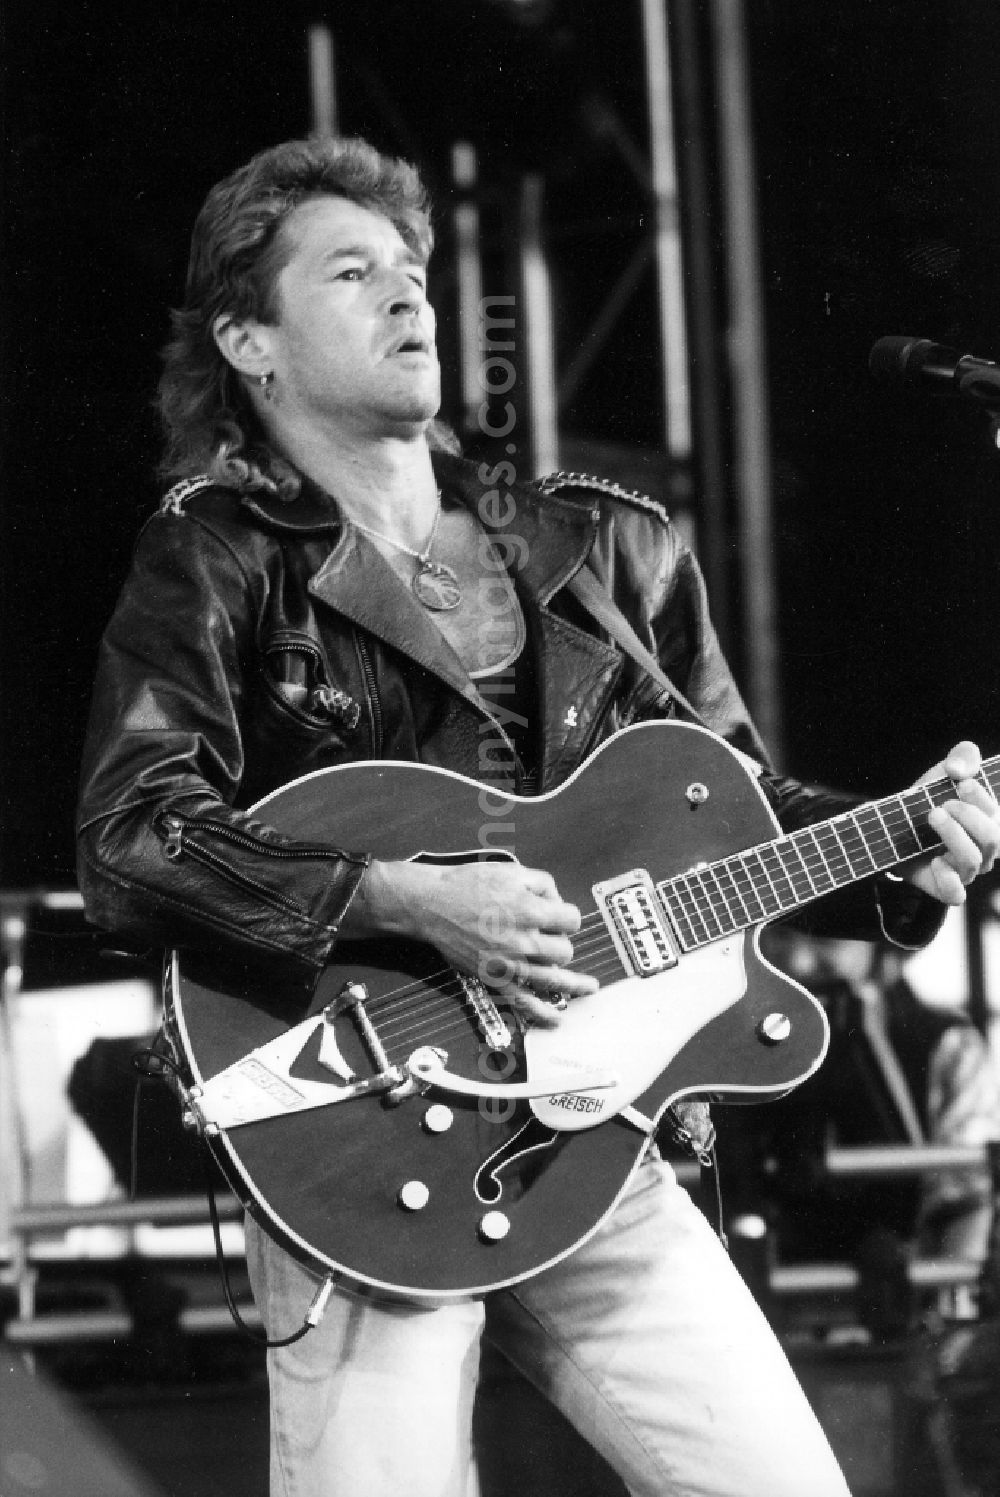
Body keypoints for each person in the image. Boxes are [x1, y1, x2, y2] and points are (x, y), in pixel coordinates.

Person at [75, 135, 1000, 1497]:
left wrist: (907, 836)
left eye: (415, 268)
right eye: (353, 272)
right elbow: (129, 831)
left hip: (595, 1138)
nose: (411, 297)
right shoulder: (212, 558)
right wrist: (399, 893)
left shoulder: (605, 545)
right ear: (248, 341)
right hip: (363, 1134)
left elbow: (738, 805)